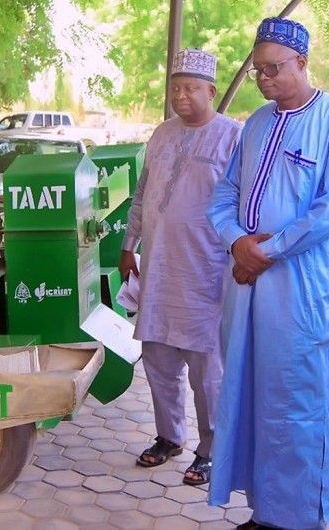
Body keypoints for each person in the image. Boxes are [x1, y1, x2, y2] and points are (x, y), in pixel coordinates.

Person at [207, 17, 329, 530]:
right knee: (255, 396)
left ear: (303, 62)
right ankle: (266, 509)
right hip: (249, 286)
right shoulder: (254, 123)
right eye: (258, 71)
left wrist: (266, 250)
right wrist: (235, 240)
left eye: (275, 68)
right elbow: (225, 192)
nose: (266, 79)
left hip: (302, 290)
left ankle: (300, 518)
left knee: (301, 403)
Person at [118, 48, 241, 486]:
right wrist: (129, 243)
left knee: (207, 371)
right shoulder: (161, 134)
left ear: (211, 90)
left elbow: (244, 206)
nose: (181, 96)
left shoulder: (232, 137)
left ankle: (210, 449)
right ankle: (170, 437)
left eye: (190, 88)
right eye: (175, 88)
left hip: (206, 273)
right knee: (157, 359)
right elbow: (143, 192)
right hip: (158, 269)